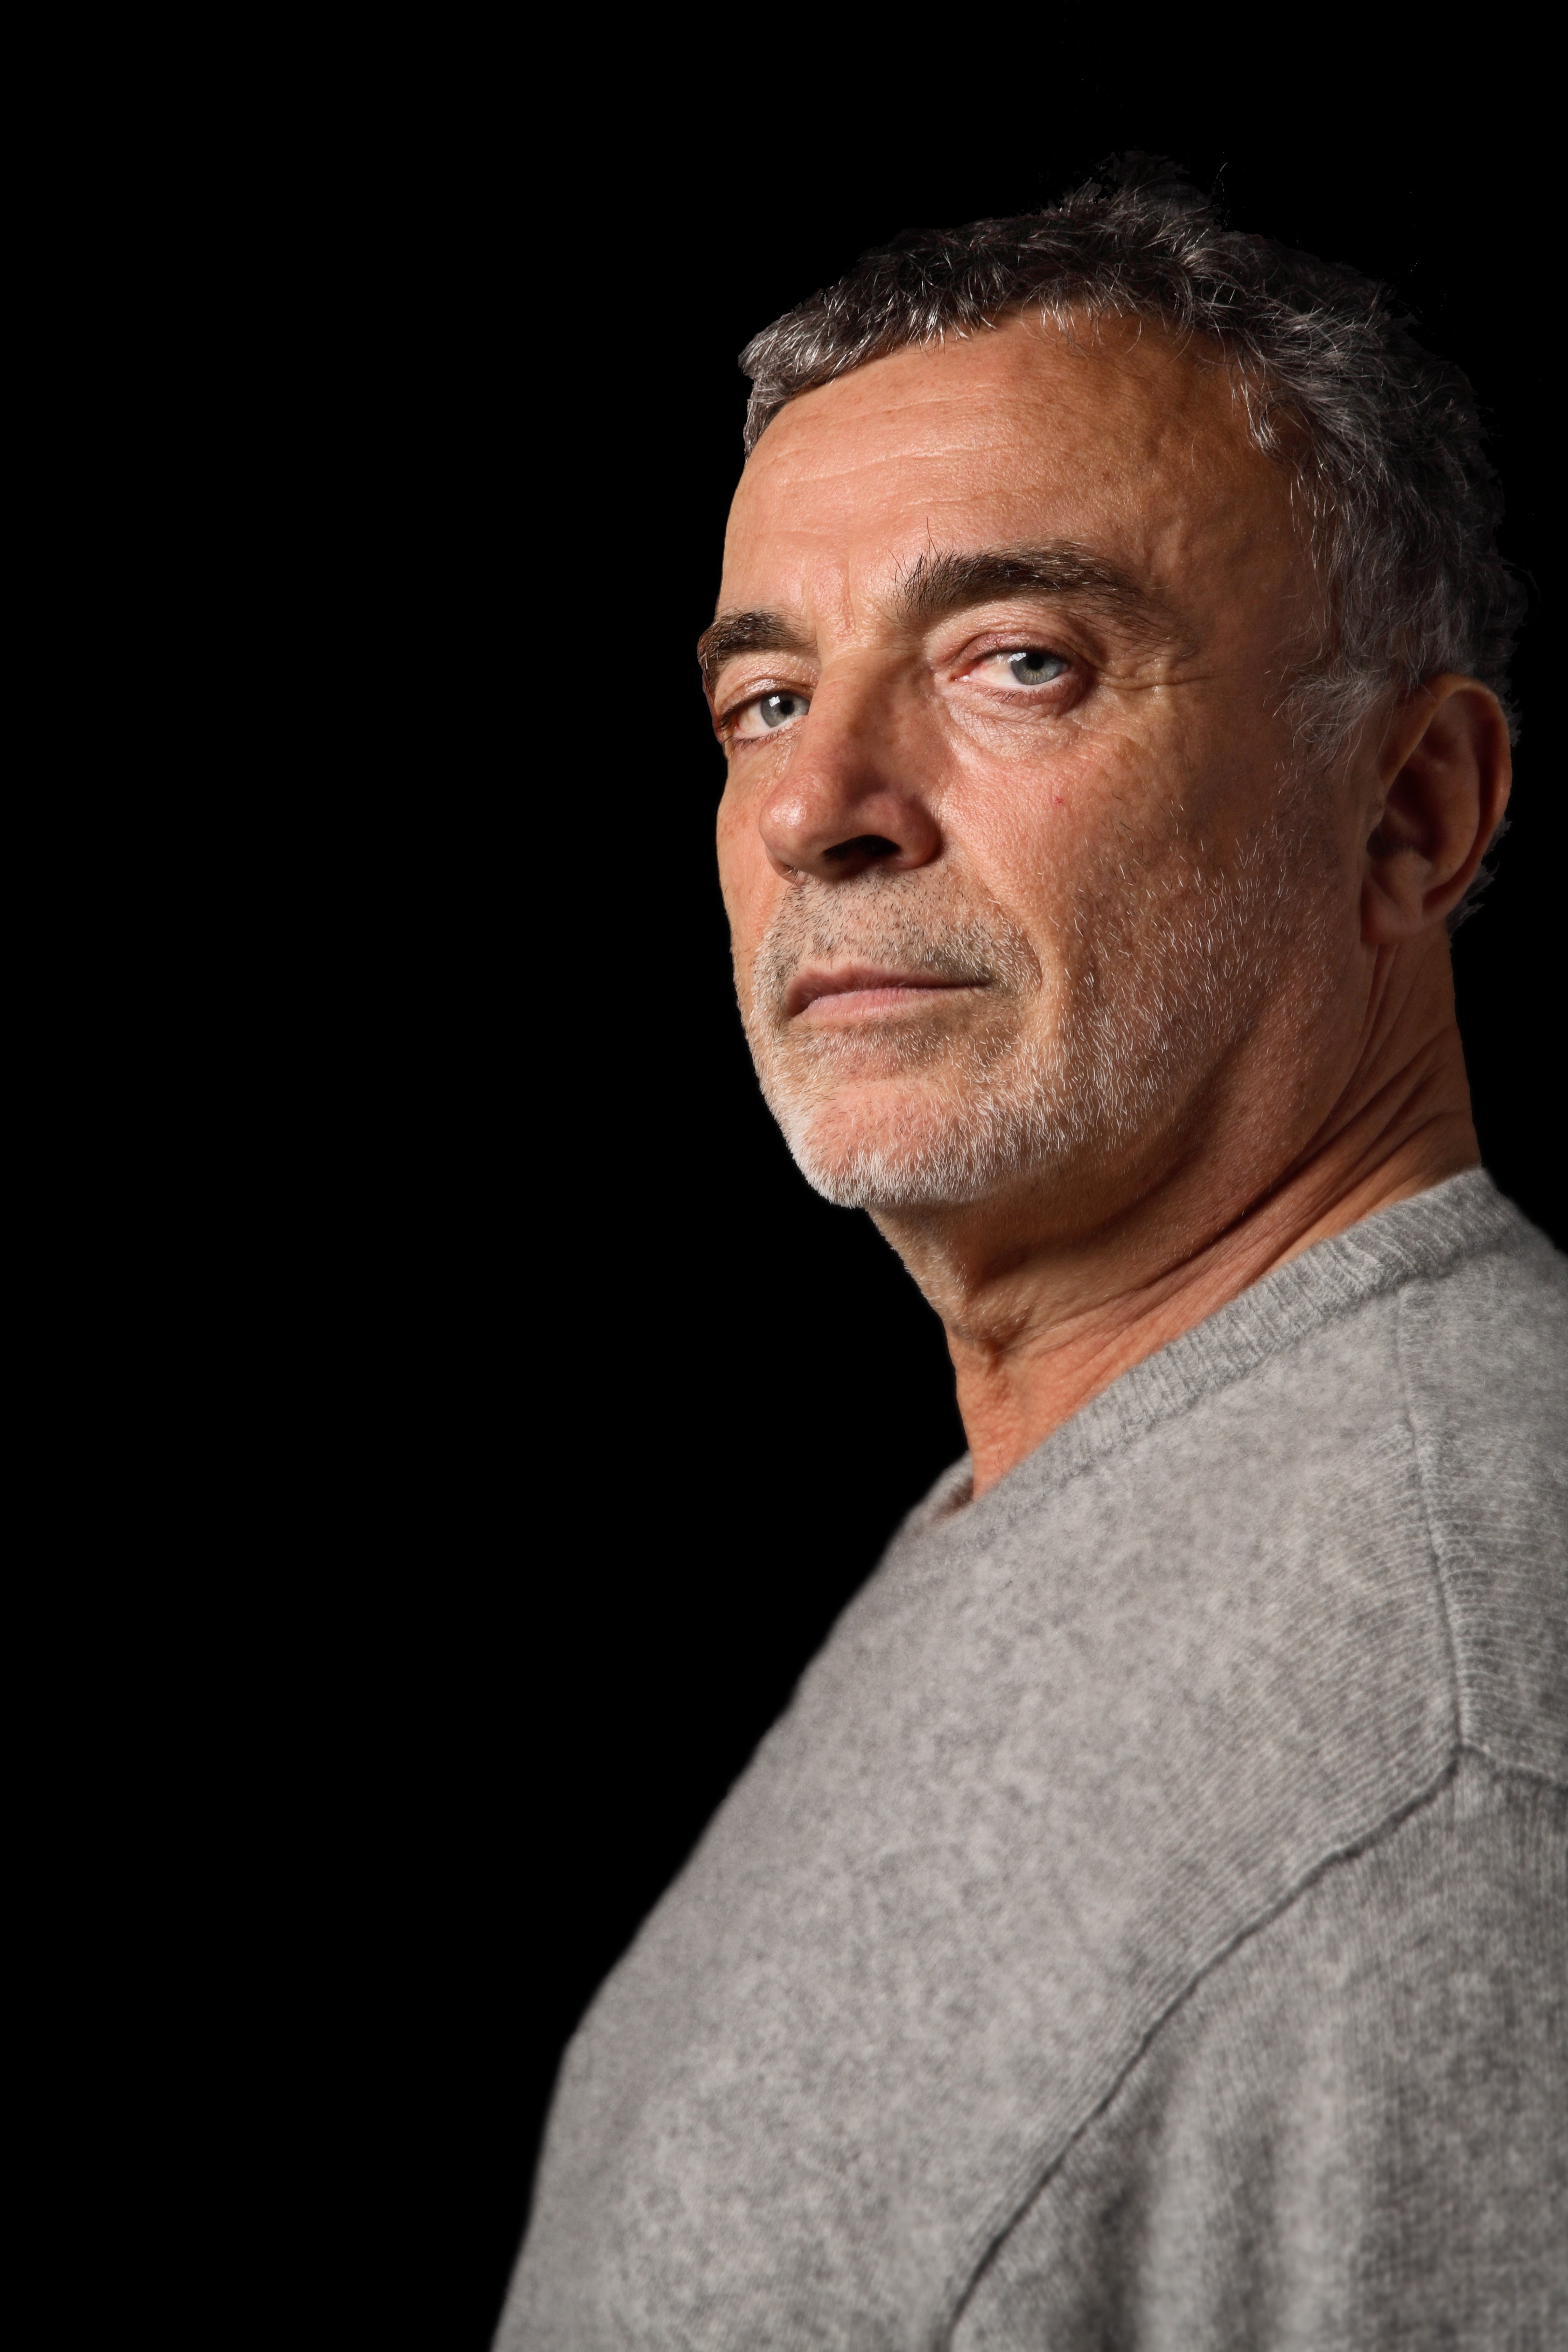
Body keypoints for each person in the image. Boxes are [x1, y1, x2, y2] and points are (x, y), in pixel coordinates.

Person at [504, 162, 1565, 2348]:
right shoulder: (1080, 1494)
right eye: (764, 699)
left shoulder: (1460, 1754)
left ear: (1410, 813)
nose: (817, 808)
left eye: (1018, 663)